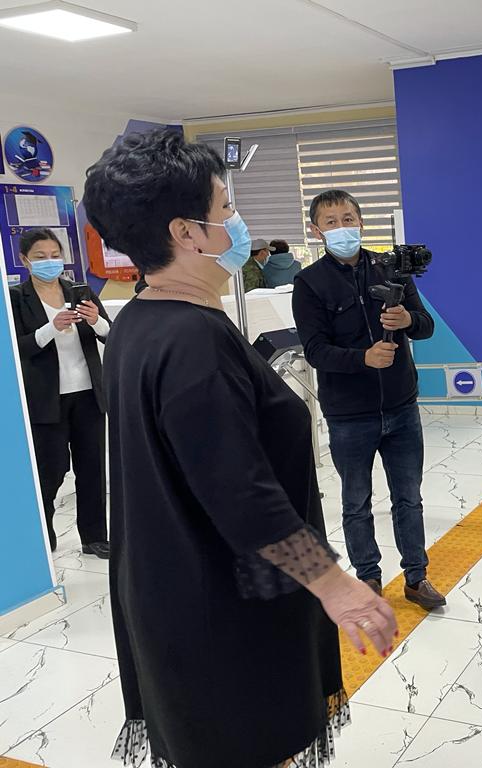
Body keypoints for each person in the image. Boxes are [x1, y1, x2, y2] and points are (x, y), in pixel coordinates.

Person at [82, 128, 397, 768]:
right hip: (222, 598)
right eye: (225, 208)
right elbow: (239, 492)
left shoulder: (137, 324)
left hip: (169, 584)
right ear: (187, 233)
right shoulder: (193, 340)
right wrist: (334, 584)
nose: (237, 222)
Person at [292, 190, 445, 610]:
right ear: (316, 231)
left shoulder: (392, 268)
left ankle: (416, 577)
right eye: (331, 222)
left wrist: (408, 318)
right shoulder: (309, 283)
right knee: (356, 502)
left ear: (361, 222)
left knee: (409, 497)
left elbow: (426, 326)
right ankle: (368, 578)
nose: (342, 228)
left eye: (348, 219)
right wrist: (363, 358)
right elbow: (315, 350)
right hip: (348, 415)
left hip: (401, 407)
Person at [9, 229, 111, 557]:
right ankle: (44, 534)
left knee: (92, 469)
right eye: (40, 257)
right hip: (45, 399)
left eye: (55, 255)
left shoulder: (80, 291)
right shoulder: (15, 298)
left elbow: (110, 334)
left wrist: (95, 321)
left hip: (88, 394)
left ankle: (94, 536)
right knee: (50, 471)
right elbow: (16, 347)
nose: (49, 262)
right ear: (24, 260)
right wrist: (51, 328)